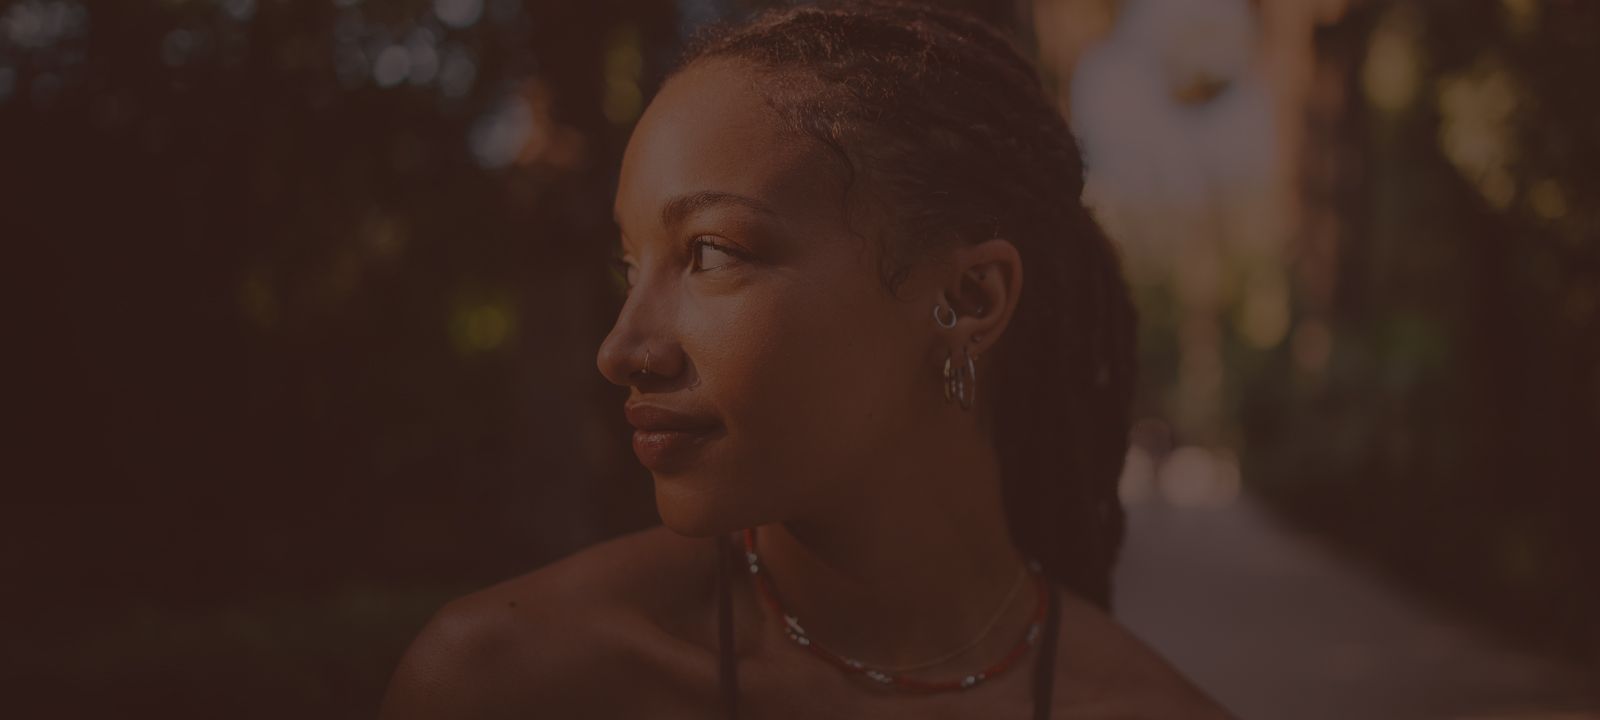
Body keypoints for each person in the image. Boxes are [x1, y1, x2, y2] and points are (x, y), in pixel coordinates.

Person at [380, 1, 1232, 717]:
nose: (622, 350)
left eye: (710, 252)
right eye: (631, 267)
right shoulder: (510, 681)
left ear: (969, 300)